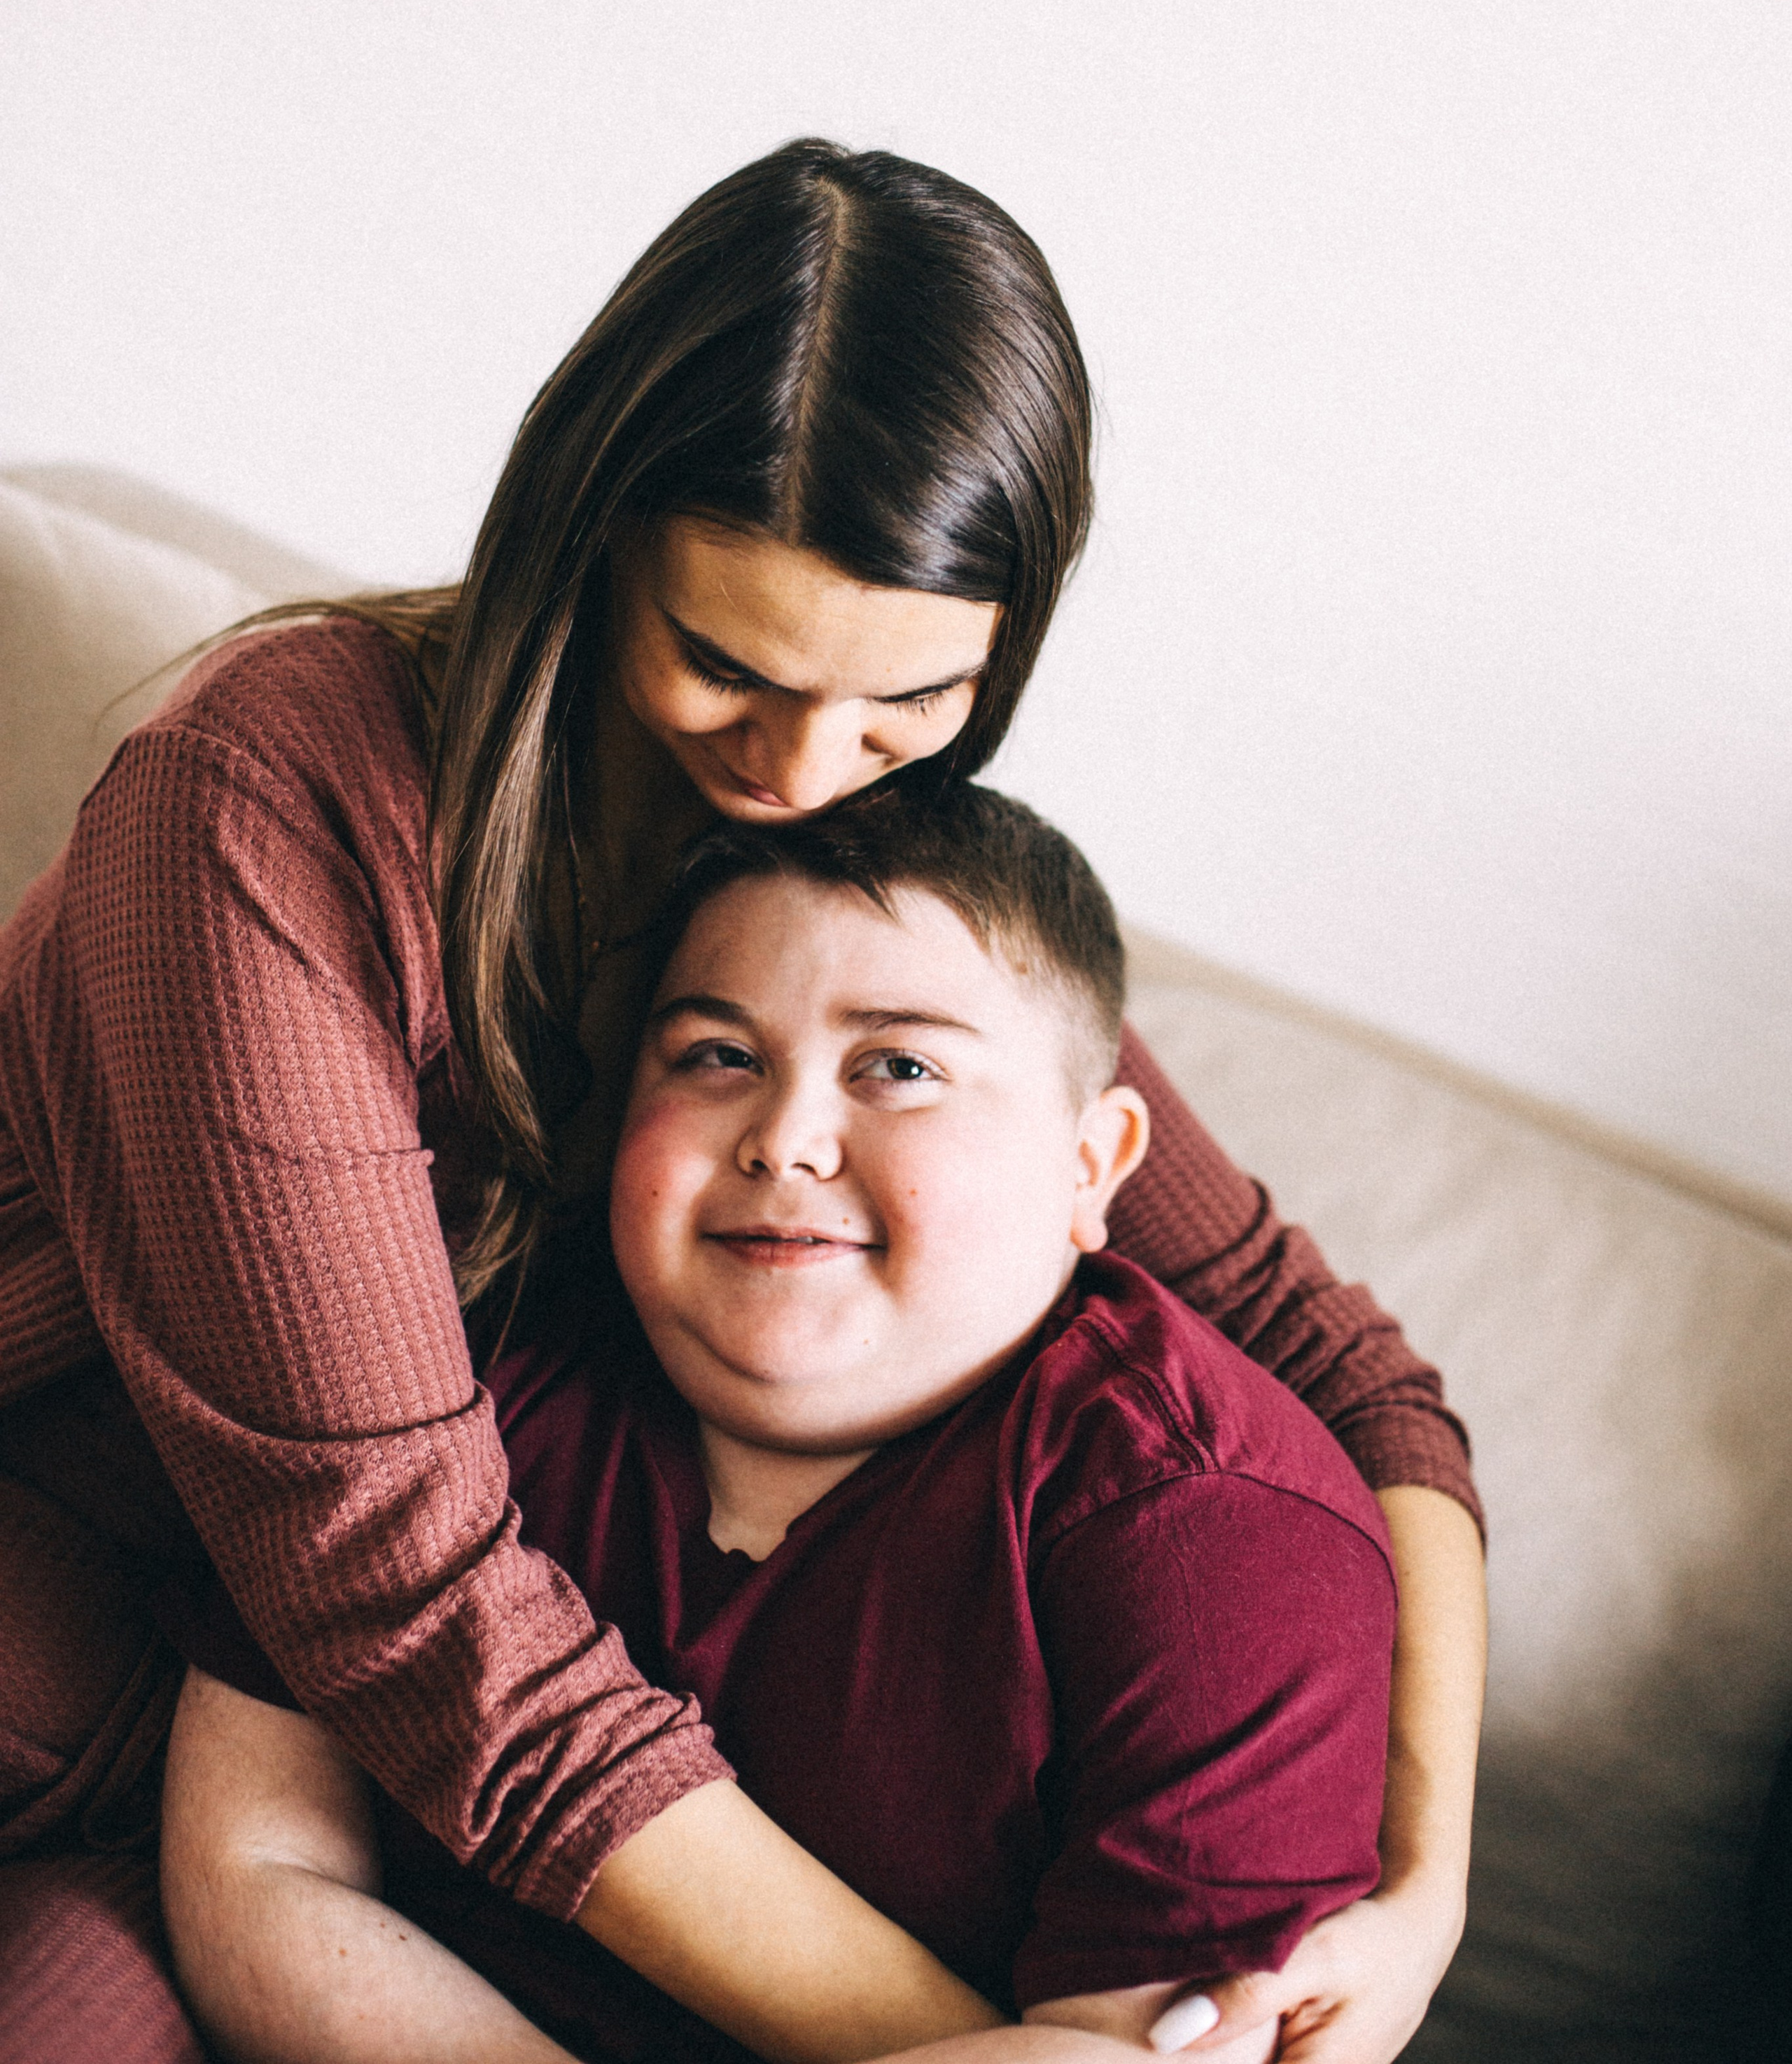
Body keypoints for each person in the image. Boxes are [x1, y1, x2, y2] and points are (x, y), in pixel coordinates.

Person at [0, 139, 1483, 2064]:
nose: (803, 769)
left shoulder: (859, 886)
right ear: (591, 534)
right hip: (107, 1627)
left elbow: (1338, 1371)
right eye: (726, 664)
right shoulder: (271, 804)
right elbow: (412, 1600)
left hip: (389, 1777)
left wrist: (1421, 1887)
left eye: (909, 704)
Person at [158, 787, 1399, 2064]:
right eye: (719, 1056)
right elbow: (255, 1856)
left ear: (1092, 1163)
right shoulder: (461, 1347)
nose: (785, 1140)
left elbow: (1119, 2059)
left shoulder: (1216, 1535)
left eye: (901, 1068)